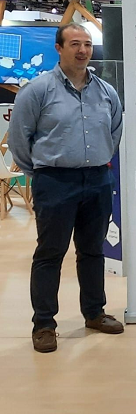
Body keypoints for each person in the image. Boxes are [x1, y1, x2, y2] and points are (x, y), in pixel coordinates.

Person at [7, 23, 124, 353]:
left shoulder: (106, 92)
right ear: (59, 48)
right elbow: (19, 139)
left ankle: (95, 313)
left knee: (93, 251)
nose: (83, 50)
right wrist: (40, 172)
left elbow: (115, 132)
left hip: (98, 180)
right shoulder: (37, 91)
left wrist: (99, 160)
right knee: (50, 253)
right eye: (74, 44)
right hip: (55, 182)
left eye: (87, 44)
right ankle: (44, 324)